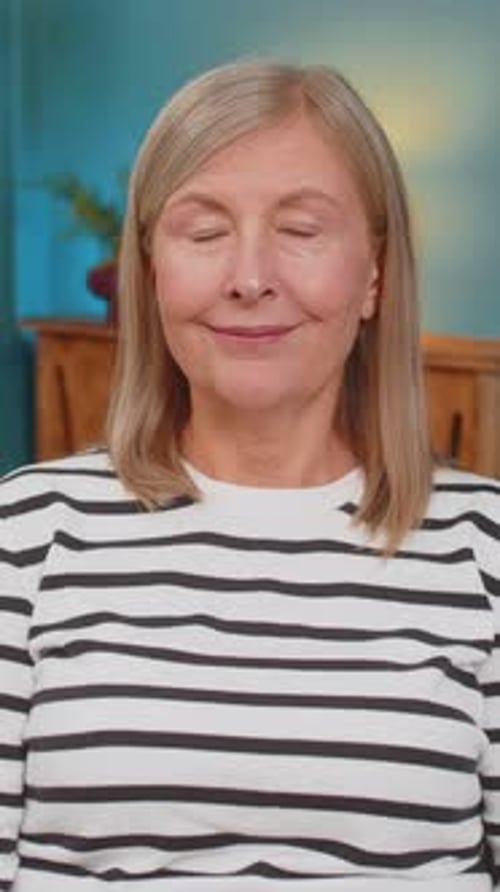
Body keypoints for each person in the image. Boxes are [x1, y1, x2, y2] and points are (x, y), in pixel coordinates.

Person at [1, 59, 499, 892]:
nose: (250, 277)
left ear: (375, 270)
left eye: (302, 230)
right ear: (151, 267)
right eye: (203, 232)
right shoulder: (23, 536)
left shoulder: (485, 552)